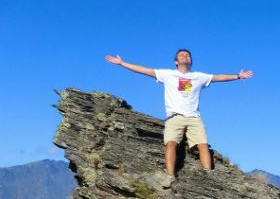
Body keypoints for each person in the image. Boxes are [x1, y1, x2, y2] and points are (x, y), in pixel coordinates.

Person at [104, 49, 253, 175]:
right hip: (174, 117)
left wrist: (238, 76)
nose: (185, 56)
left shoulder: (199, 77)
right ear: (176, 61)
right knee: (171, 143)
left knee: (203, 144)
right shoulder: (167, 74)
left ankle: (208, 174)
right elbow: (145, 70)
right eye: (182, 55)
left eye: (188, 55)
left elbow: (219, 77)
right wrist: (122, 63)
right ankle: (170, 176)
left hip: (194, 117)